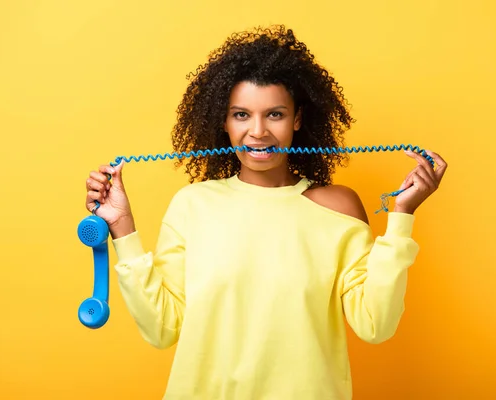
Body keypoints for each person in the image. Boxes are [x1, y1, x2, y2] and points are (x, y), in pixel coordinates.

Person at [84, 25, 447, 399]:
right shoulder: (193, 205)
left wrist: (401, 218)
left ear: (298, 119)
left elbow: (377, 324)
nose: (257, 132)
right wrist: (123, 229)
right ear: (223, 123)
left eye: (274, 114)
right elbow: (161, 329)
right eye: (241, 115)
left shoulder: (339, 208)